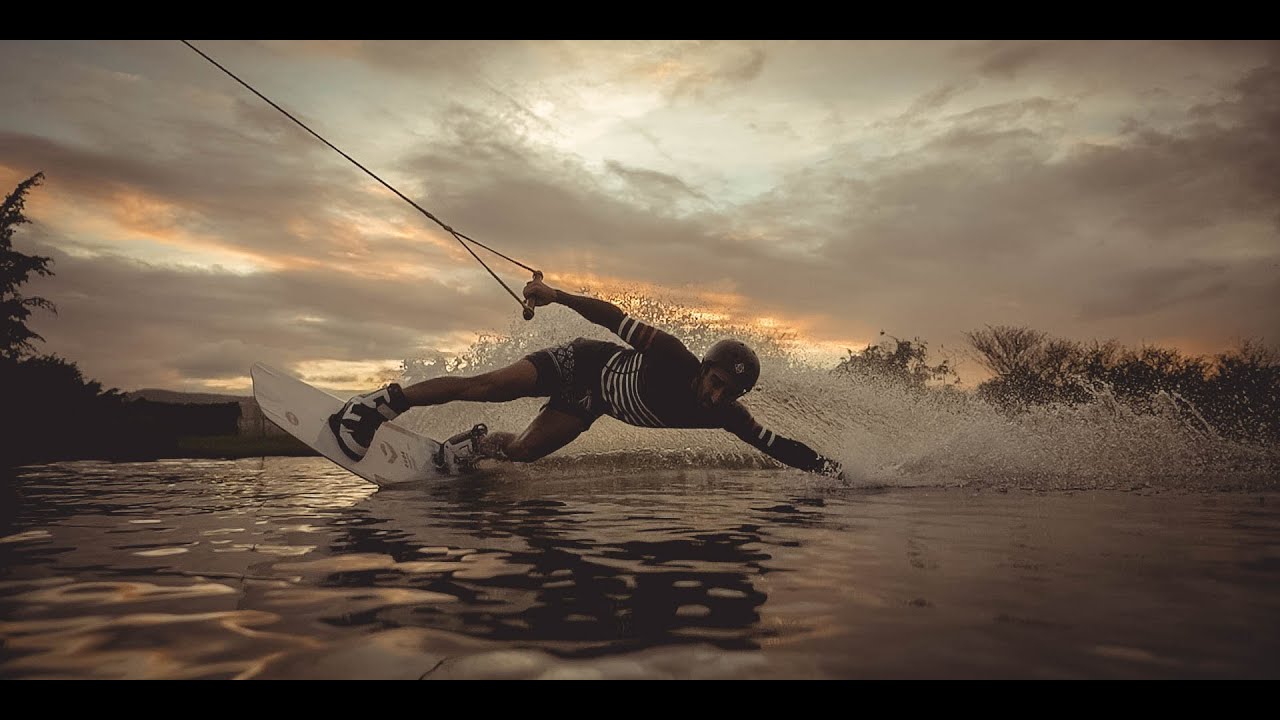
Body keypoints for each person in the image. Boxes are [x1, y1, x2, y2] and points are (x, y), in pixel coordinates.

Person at [328, 278, 844, 479]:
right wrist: (557, 297)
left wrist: (837, 473)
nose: (715, 395)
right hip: (580, 363)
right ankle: (373, 406)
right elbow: (611, 317)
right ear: (705, 367)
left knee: (523, 452)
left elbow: (779, 446)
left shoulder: (728, 417)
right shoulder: (671, 355)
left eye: (727, 393)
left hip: (591, 403)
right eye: (715, 382)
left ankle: (470, 448)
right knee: (486, 387)